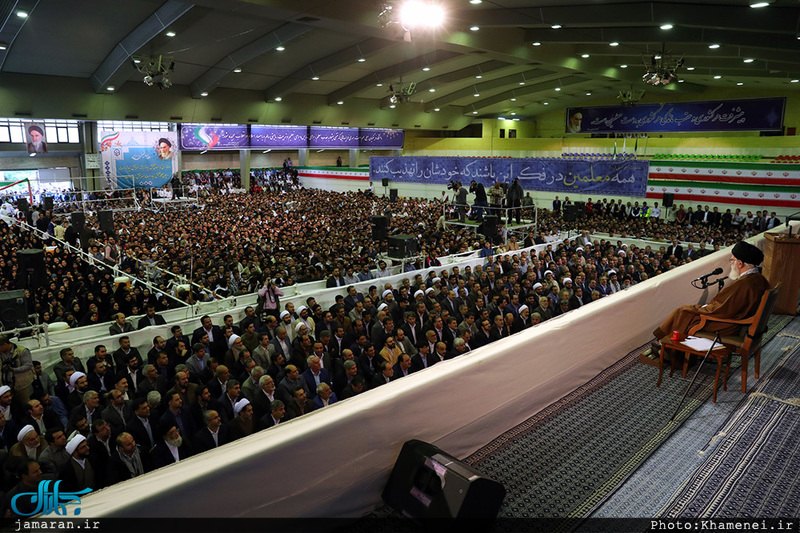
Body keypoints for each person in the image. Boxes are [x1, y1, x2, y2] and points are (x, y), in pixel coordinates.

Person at [649, 241, 770, 352]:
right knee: (686, 311)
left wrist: (702, 309)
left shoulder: (745, 284)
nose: (731, 263)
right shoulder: (759, 280)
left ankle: (670, 351)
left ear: (740, 263)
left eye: (732, 260)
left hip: (728, 325)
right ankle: (664, 343)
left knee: (683, 312)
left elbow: (723, 310)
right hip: (740, 322)